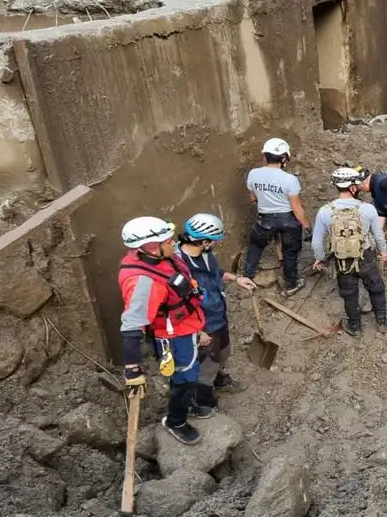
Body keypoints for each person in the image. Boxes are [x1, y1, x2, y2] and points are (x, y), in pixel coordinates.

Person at [118, 216, 214, 446]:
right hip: (172, 336)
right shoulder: (144, 282)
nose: (173, 242)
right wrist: (132, 369)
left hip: (186, 326)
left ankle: (188, 405)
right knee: (184, 378)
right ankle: (176, 421)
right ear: (152, 247)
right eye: (167, 240)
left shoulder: (161, 259)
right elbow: (132, 325)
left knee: (192, 370)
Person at [175, 213, 257, 404]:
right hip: (202, 324)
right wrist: (198, 332)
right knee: (206, 367)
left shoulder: (203, 254)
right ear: (204, 241)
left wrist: (236, 278)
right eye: (214, 241)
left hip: (217, 315)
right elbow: (176, 307)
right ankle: (204, 402)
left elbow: (215, 272)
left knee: (223, 352)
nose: (217, 244)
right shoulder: (180, 269)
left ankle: (219, 380)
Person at [311, 167, 387, 337]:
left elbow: (317, 242)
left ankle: (355, 327)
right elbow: (378, 235)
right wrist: (383, 252)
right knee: (376, 287)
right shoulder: (368, 209)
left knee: (349, 293)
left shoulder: (325, 211)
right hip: (366, 256)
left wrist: (320, 259)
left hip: (342, 259)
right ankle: (381, 321)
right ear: (353, 187)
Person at [240, 138, 311, 296]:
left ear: (265, 156)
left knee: (256, 245)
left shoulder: (254, 174)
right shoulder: (290, 180)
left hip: (265, 219)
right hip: (288, 220)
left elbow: (253, 198)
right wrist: (307, 226)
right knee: (290, 252)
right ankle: (291, 284)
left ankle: (247, 276)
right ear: (284, 158)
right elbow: (296, 207)